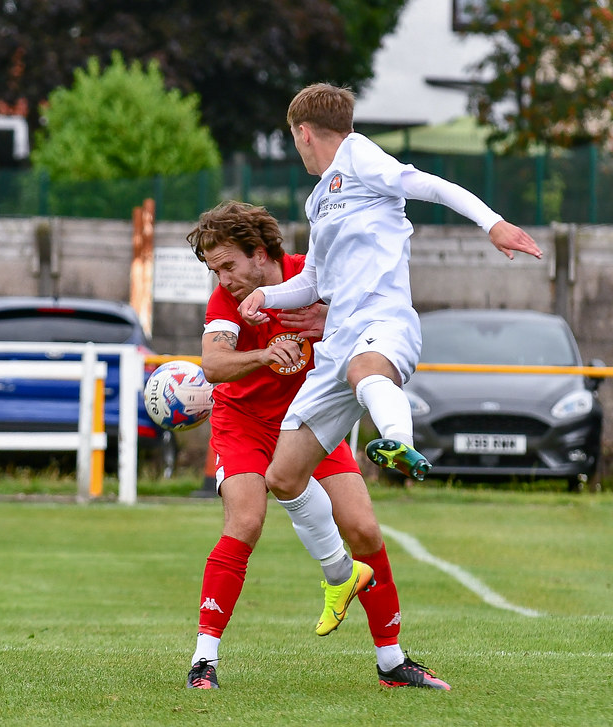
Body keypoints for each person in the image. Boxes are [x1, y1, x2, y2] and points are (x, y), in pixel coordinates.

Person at [227, 83, 540, 661]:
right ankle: (340, 575)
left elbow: (431, 187)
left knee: (369, 374)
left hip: (383, 320)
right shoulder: (320, 198)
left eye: (294, 136)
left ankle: (398, 444)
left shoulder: (361, 156)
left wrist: (492, 222)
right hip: (338, 337)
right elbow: (313, 284)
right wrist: (266, 297)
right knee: (284, 476)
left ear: (302, 131)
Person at [184, 201, 449, 690]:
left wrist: (329, 322)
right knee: (245, 520)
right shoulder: (227, 301)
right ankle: (204, 661)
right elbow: (214, 365)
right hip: (242, 424)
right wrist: (264, 354)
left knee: (364, 527)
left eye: (228, 265)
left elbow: (371, 322)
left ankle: (391, 661)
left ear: (260, 253)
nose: (222, 279)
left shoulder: (313, 274)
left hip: (308, 420)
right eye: (214, 269)